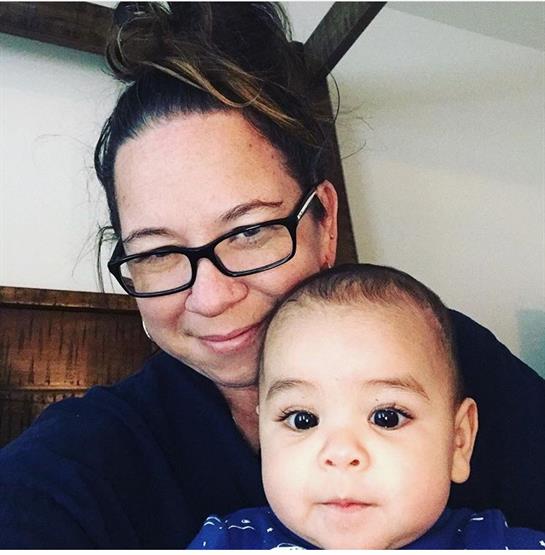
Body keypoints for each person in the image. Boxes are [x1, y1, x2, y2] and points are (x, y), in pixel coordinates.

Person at [0, 2, 543, 549]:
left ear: (325, 224)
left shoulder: (445, 354)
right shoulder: (84, 460)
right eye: (158, 252)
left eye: (249, 231)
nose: (211, 297)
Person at [188, 264, 545, 549]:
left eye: (386, 417)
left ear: (458, 442)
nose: (341, 453)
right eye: (302, 419)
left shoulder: (499, 546)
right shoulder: (228, 543)